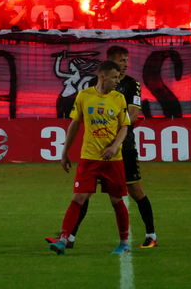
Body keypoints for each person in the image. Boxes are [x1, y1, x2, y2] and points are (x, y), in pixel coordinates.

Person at [48, 46, 158, 250]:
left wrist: (111, 134)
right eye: (121, 60)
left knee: (134, 191)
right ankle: (69, 237)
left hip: (122, 147)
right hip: (94, 152)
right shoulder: (91, 87)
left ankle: (151, 233)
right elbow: (78, 120)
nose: (125, 64)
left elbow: (131, 116)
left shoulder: (130, 85)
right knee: (83, 195)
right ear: (107, 66)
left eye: (126, 60)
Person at [48, 59, 132, 256]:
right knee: (78, 198)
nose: (117, 81)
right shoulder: (84, 96)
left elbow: (124, 127)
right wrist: (64, 152)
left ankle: (124, 242)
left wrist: (114, 147)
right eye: (114, 77)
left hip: (113, 159)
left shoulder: (119, 98)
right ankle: (63, 240)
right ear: (103, 77)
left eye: (119, 77)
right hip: (89, 158)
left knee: (116, 200)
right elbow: (74, 125)